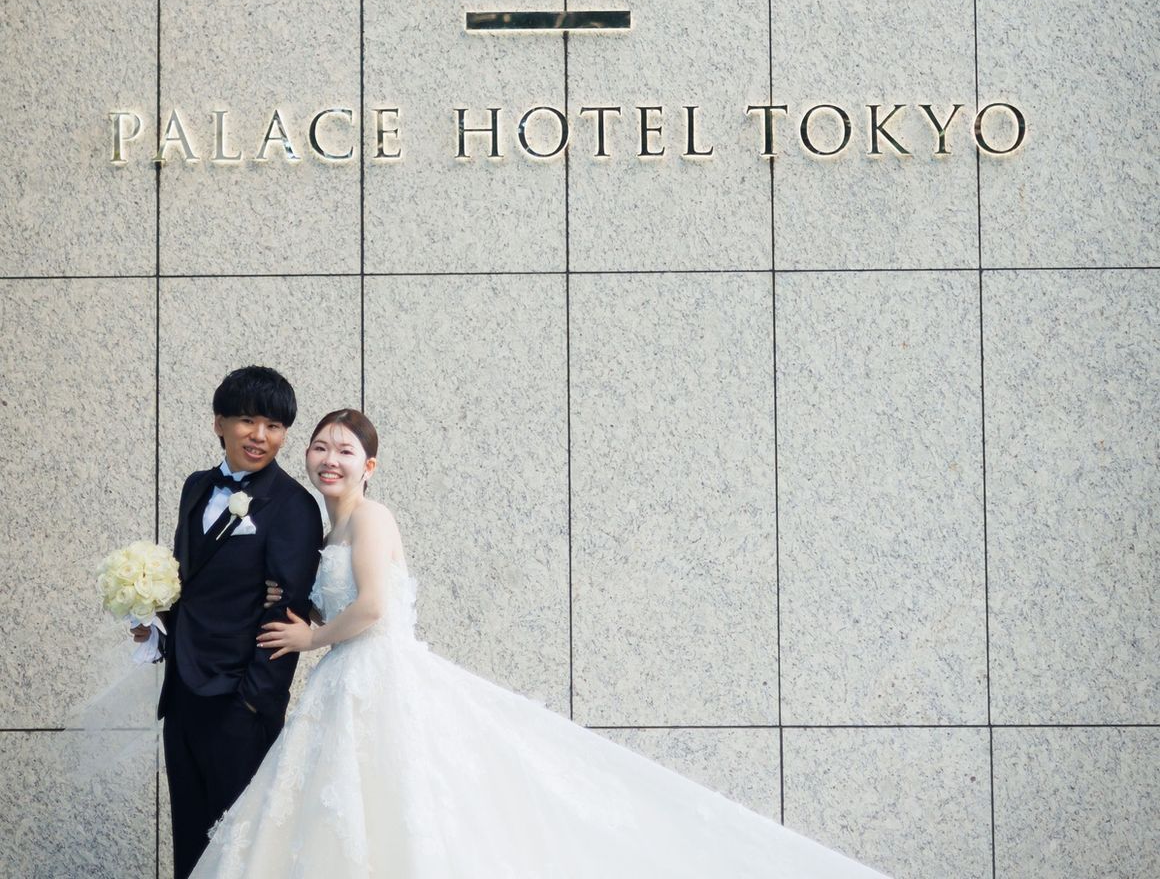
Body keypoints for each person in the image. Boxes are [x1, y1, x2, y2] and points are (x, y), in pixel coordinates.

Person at [191, 408, 889, 879]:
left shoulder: (371, 518)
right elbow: (334, 595)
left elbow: (372, 607)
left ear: (370, 465)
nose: (329, 459)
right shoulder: (328, 528)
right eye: (321, 447)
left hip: (376, 677)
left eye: (345, 450)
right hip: (347, 682)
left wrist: (313, 635)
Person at [149, 366, 324, 879]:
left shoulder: (294, 505)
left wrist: (253, 702)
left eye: (274, 426)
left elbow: (287, 612)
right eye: (247, 420)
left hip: (239, 704)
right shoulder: (195, 487)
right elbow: (189, 582)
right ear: (219, 423)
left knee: (240, 851)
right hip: (182, 695)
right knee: (191, 844)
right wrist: (155, 625)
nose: (260, 436)